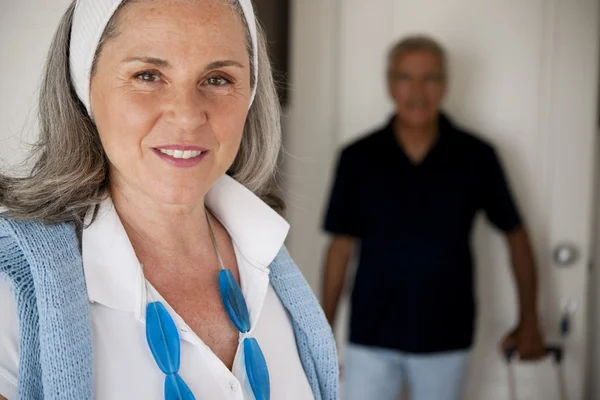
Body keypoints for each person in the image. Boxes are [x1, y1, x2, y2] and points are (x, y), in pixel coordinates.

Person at [0, 1, 338, 399]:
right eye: (148, 75)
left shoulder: (267, 259)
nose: (187, 115)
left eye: (217, 79)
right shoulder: (12, 289)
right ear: (85, 86)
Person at [322, 35, 545, 400]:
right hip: (370, 333)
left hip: (447, 332)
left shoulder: (477, 156)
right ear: (389, 82)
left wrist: (530, 320)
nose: (418, 90)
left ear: (446, 84)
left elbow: (517, 236)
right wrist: (322, 329)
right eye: (406, 77)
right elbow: (340, 247)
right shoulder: (357, 157)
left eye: (431, 78)